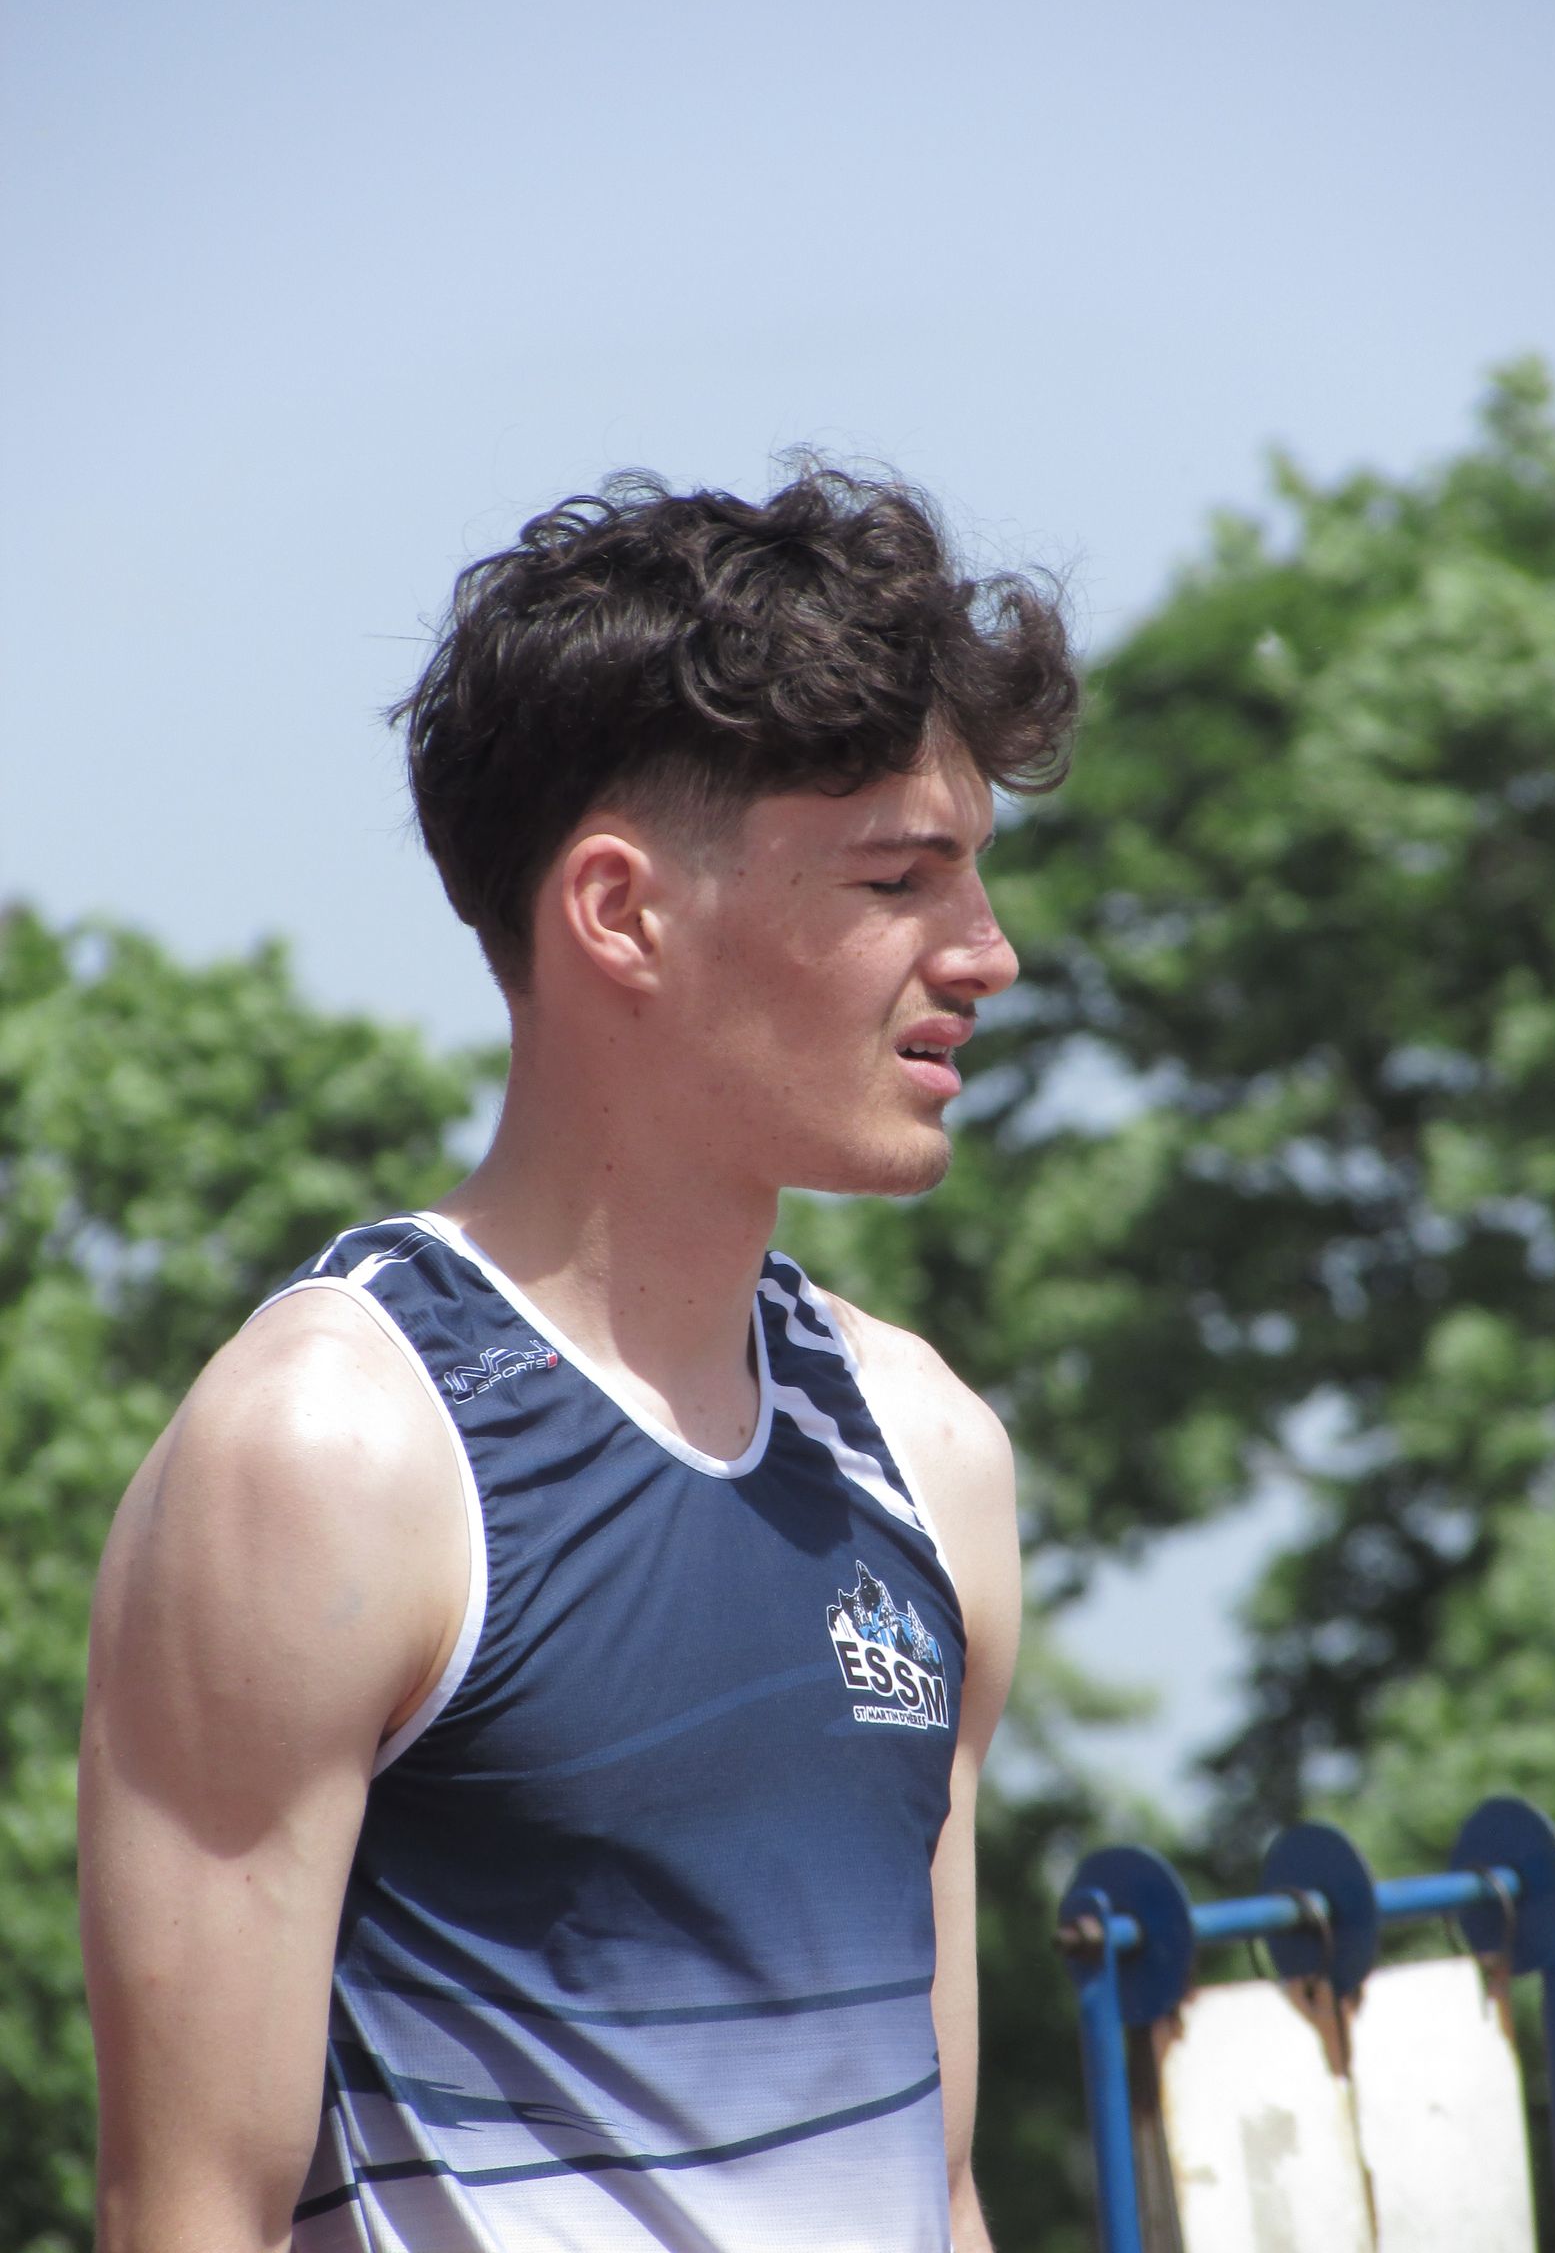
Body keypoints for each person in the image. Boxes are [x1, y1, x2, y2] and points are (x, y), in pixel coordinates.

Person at [79, 467, 1078, 2253]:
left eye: (977, 875)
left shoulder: (933, 1453)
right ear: (619, 912)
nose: (988, 954)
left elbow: (933, 2188)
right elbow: (189, 2213)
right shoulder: (330, 1454)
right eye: (899, 878)